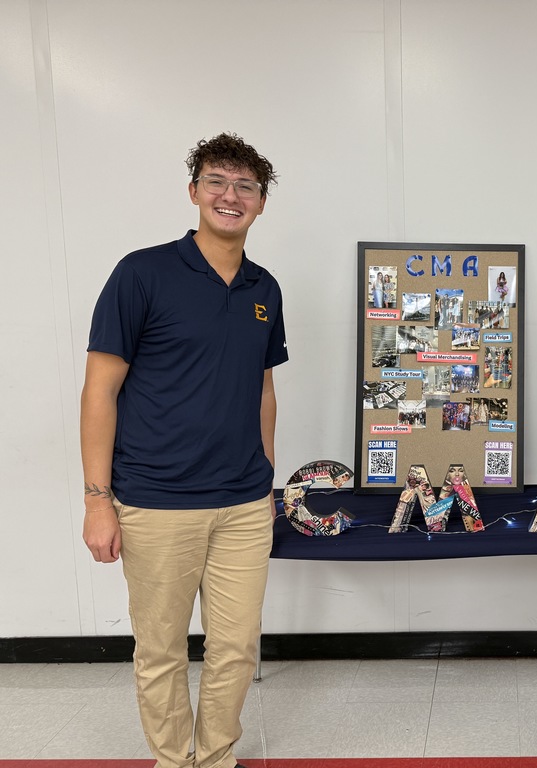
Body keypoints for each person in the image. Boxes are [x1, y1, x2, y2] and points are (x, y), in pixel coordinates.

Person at [80, 132, 287, 768]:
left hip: (243, 504)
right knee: (161, 652)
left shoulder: (264, 288)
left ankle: (216, 757)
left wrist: (266, 480)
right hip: (156, 502)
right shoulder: (142, 273)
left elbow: (262, 389)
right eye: (217, 182)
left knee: (236, 649)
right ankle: (175, 761)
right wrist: (97, 500)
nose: (231, 195)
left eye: (245, 186)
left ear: (260, 203)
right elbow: (99, 390)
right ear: (194, 191)